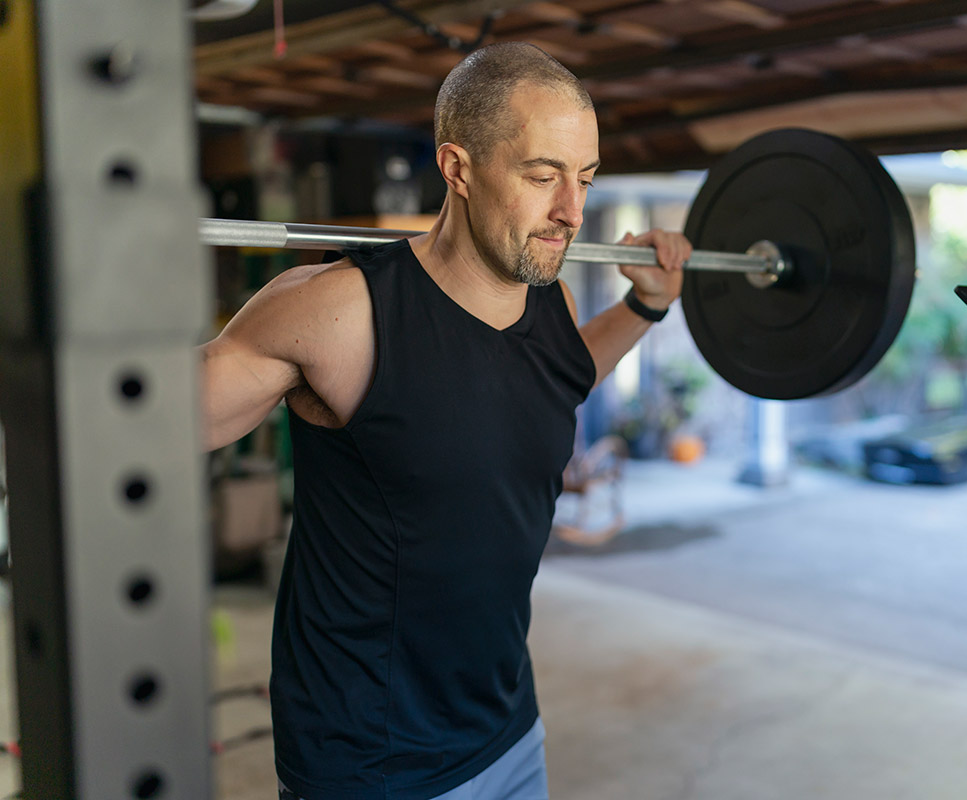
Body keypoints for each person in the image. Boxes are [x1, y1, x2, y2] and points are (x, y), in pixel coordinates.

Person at [200, 42, 692, 800]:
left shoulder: (543, 298)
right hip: (371, 766)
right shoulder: (337, 314)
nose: (572, 213)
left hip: (508, 730)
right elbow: (131, 431)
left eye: (584, 179)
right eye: (542, 176)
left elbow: (552, 381)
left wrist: (644, 307)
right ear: (458, 168)